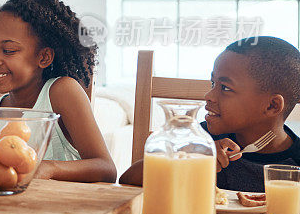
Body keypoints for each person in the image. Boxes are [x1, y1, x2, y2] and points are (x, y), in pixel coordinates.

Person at [119, 36, 300, 191]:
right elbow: (128, 180)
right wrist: (186, 158)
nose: (208, 96)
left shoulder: (296, 161)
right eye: (213, 83)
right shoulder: (202, 140)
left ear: (272, 106)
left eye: (225, 88)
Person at [0, 0, 117, 183]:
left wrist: (49, 167)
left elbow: (106, 168)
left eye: (8, 50)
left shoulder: (61, 92)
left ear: (43, 57)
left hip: (59, 208)